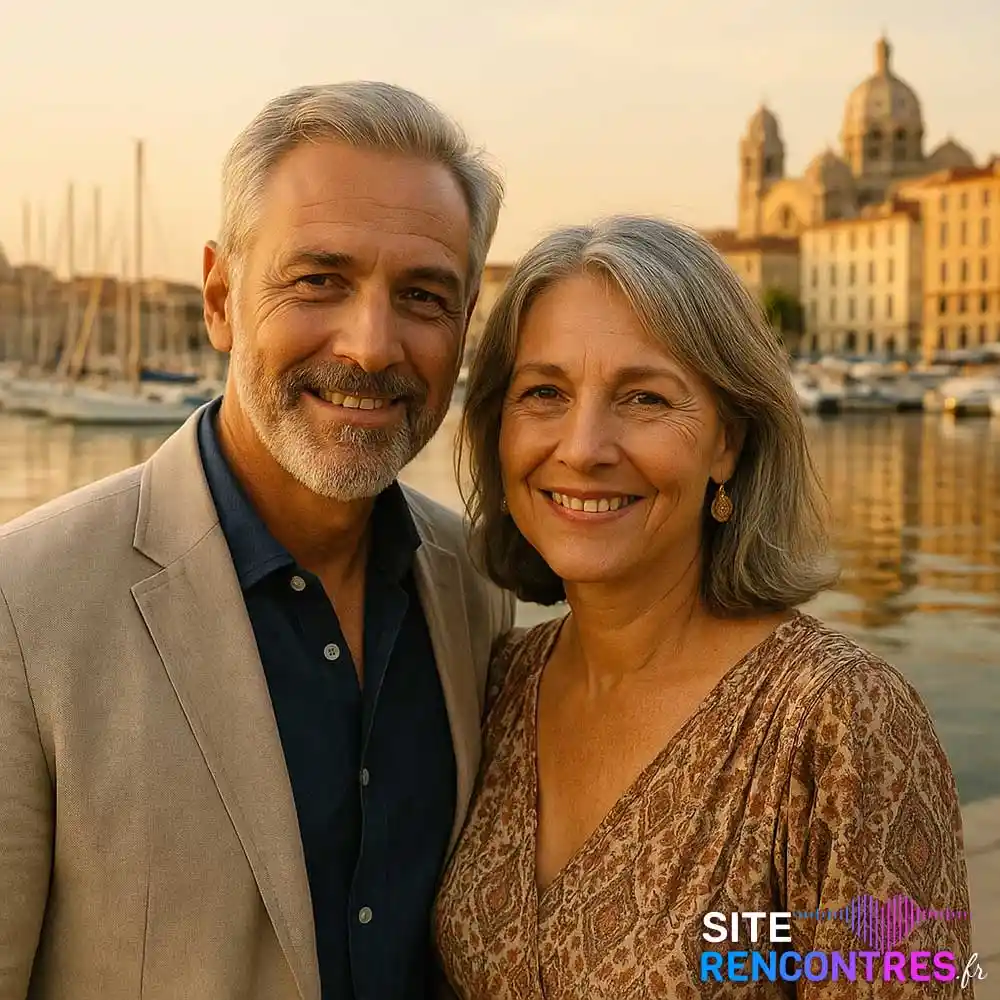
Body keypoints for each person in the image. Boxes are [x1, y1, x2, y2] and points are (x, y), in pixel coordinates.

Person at [0, 82, 513, 1000]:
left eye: (422, 296)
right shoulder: (23, 607)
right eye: (319, 280)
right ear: (220, 298)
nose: (370, 346)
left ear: (464, 325)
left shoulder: (477, 588)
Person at [434, 216, 973, 999]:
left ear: (729, 442)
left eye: (645, 397)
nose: (582, 447)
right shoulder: (500, 683)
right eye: (544, 392)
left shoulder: (838, 724)